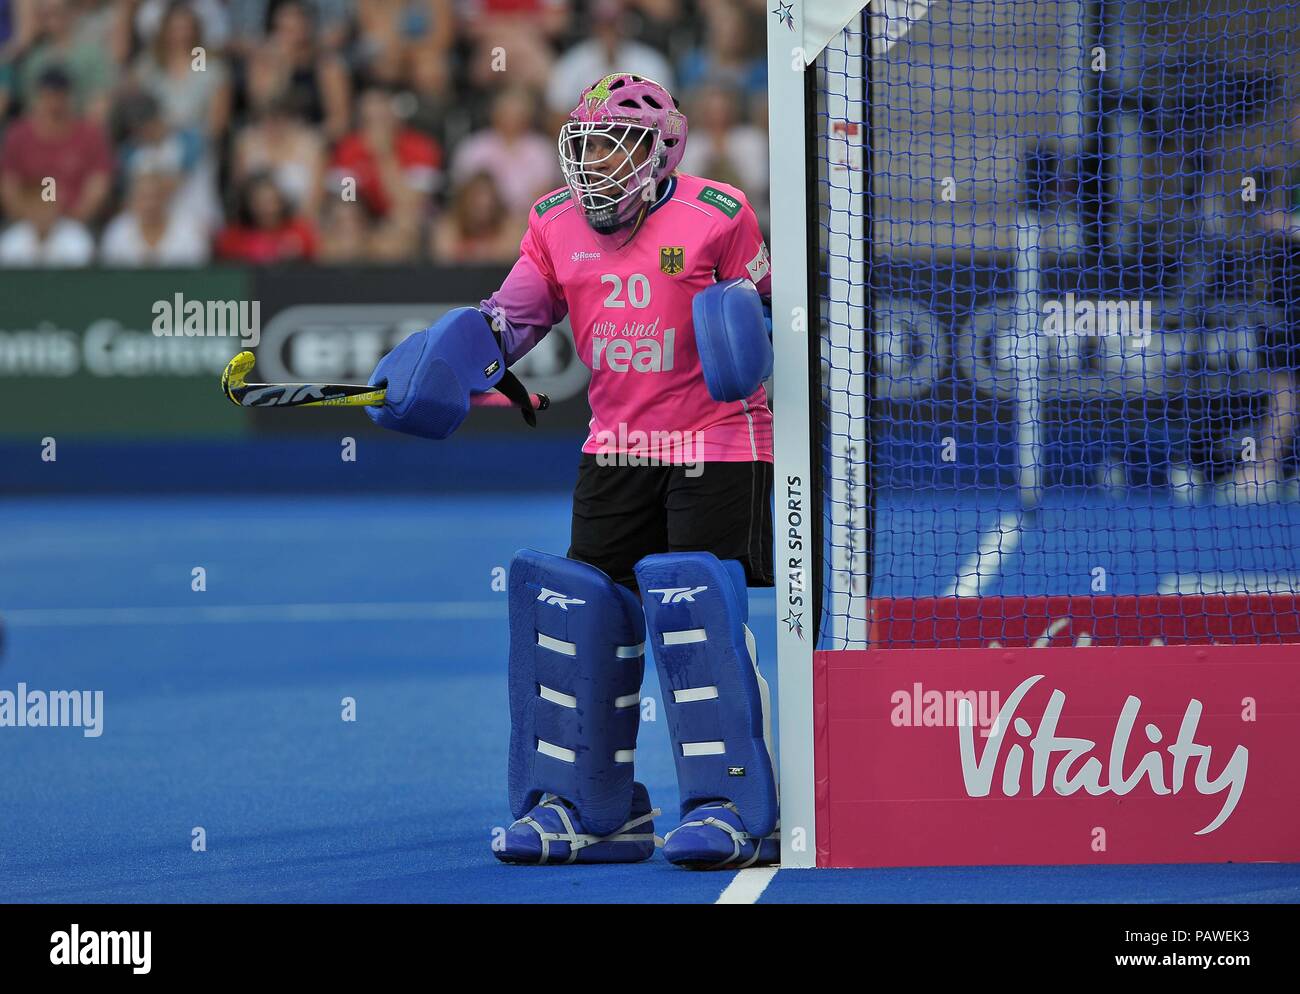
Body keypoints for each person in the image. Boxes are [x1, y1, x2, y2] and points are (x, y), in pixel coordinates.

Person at [364, 73, 777, 870]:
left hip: (717, 443)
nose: (594, 162)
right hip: (614, 448)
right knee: (583, 616)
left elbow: (768, 314)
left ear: (661, 150)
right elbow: (510, 318)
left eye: (612, 145)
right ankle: (602, 812)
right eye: (584, 145)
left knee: (695, 611)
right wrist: (439, 364)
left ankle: (733, 807)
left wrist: (751, 330)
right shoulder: (554, 223)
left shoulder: (718, 215)